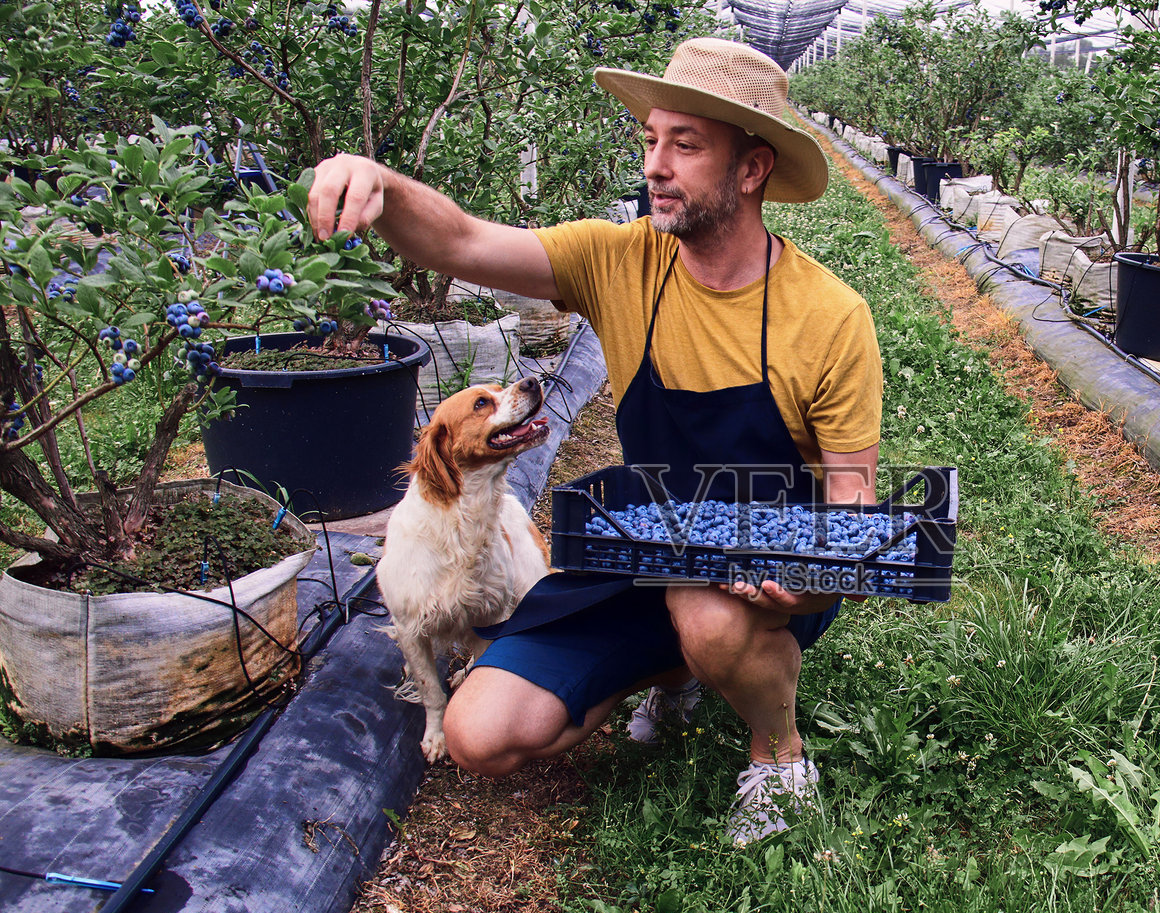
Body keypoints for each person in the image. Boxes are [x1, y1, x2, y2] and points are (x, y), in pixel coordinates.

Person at [306, 37, 883, 845]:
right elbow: (463, 242)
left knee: (710, 615)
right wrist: (381, 183)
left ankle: (779, 754)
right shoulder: (619, 262)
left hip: (762, 566)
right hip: (644, 547)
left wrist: (809, 579)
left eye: (686, 145)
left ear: (753, 168)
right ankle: (675, 666)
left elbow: (853, 501)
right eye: (651, 139)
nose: (655, 165)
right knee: (479, 732)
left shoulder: (828, 316)